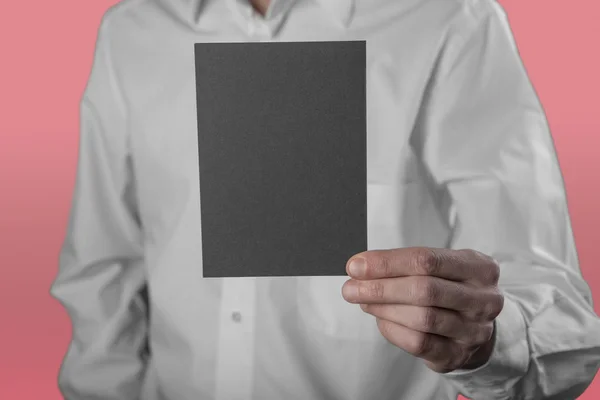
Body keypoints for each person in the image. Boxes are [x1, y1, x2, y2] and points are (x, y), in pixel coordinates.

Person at [50, 0, 600, 399]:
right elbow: (104, 265)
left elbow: (556, 307)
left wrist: (485, 339)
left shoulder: (451, 21)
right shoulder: (131, 32)